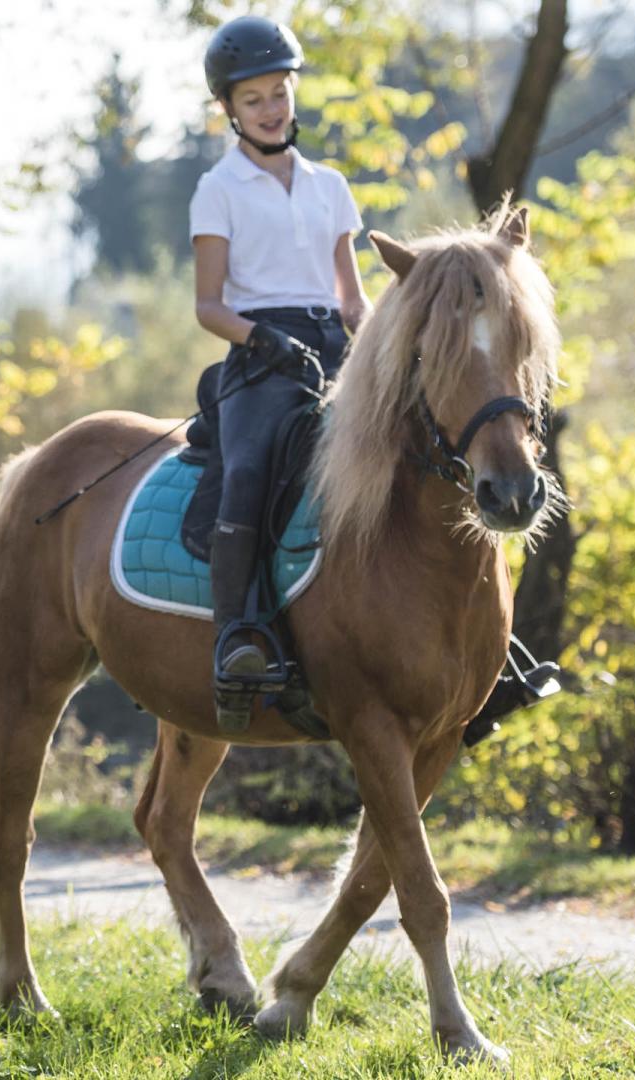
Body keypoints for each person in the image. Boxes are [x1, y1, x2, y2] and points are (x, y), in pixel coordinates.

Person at [190, 16, 370, 732]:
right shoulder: (218, 189)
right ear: (230, 109)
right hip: (261, 354)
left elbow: (353, 299)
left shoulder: (330, 186)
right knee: (250, 469)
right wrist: (263, 340)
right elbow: (207, 305)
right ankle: (237, 635)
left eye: (280, 93)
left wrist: (388, 346)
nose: (271, 108)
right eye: (254, 98)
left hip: (336, 345)